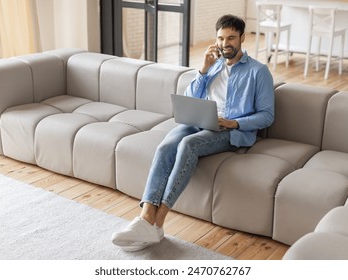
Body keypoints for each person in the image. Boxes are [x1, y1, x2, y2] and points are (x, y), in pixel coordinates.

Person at [111, 14, 275, 251]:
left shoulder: (258, 71)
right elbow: (190, 98)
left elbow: (267, 116)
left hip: (231, 131)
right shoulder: (214, 64)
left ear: (242, 38)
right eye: (220, 38)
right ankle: (146, 216)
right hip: (200, 121)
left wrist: (232, 123)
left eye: (231, 38)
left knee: (189, 144)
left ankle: (157, 221)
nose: (224, 43)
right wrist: (203, 70)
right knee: (166, 146)